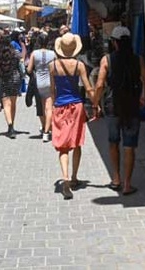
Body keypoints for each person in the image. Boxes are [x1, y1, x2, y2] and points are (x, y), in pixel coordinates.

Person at [93, 26, 145, 195]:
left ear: (115, 43)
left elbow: (100, 84)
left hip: (112, 105)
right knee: (129, 145)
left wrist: (95, 103)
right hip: (131, 104)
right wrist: (142, 97)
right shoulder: (137, 59)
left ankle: (116, 178)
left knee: (113, 142)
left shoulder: (107, 60)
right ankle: (127, 184)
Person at [49, 33, 94, 199]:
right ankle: (74, 177)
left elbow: (52, 90)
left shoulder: (53, 66)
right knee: (76, 143)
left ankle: (65, 176)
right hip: (76, 106)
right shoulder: (79, 65)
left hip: (60, 106)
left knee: (63, 146)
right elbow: (88, 87)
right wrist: (95, 102)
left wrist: (54, 106)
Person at [27, 33, 56, 142]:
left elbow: (29, 70)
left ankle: (45, 128)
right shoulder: (53, 54)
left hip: (39, 83)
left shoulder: (34, 53)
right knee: (49, 108)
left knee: (42, 108)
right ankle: (46, 132)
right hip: (50, 82)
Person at [0, 35, 23, 139]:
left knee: (6, 104)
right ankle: (12, 125)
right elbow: (22, 57)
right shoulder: (15, 52)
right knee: (13, 103)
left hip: (3, 78)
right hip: (15, 78)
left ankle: (10, 127)